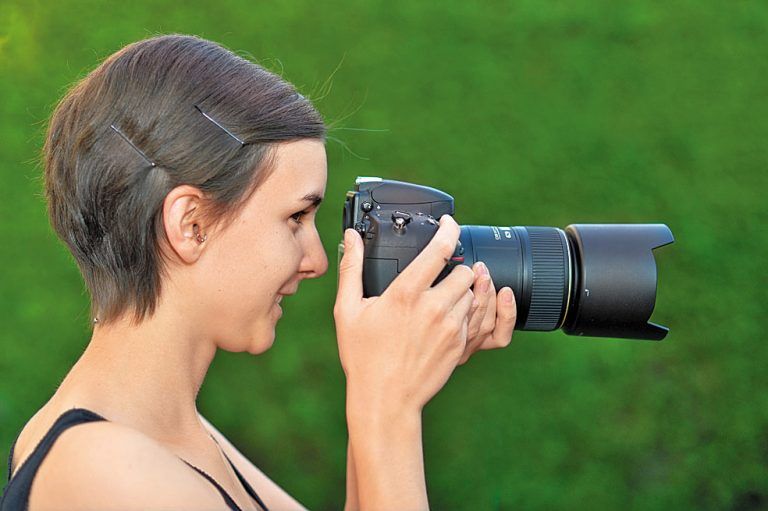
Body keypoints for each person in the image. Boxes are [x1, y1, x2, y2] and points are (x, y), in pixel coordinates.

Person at [1, 33, 517, 511]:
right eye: (295, 217)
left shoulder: (174, 434)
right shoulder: (104, 470)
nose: (317, 261)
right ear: (191, 224)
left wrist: (391, 387)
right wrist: (388, 407)